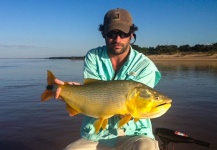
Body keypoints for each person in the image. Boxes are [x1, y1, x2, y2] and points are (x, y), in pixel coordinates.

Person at [55, 8, 161, 150]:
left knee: (146, 147)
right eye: (112, 33)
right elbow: (93, 91)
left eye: (123, 34)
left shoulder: (145, 65)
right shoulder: (93, 56)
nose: (117, 39)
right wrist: (73, 93)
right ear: (103, 34)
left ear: (131, 34)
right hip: (96, 135)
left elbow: (141, 107)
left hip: (135, 135)